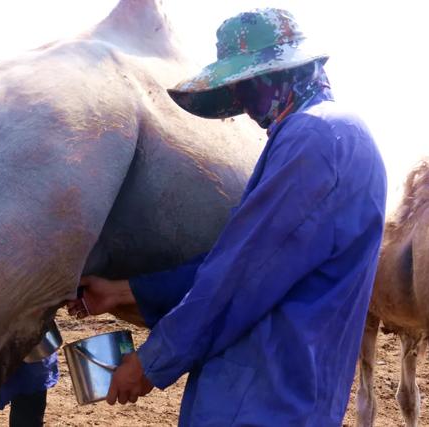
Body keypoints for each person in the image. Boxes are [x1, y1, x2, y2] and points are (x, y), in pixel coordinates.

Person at [66, 7, 387, 426]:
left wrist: (151, 362)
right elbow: (247, 259)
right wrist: (124, 291)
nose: (245, 108)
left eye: (248, 89)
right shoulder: (339, 134)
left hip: (259, 399)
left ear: (277, 76)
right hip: (294, 393)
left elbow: (241, 275)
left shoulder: (312, 139)